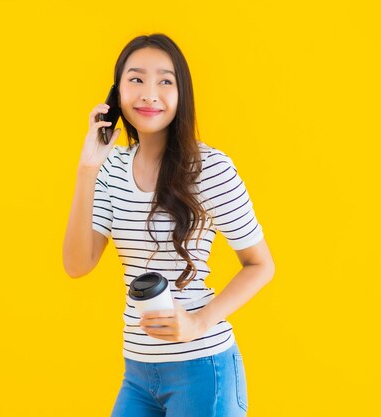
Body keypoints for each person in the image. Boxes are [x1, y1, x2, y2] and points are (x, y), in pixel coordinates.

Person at [62, 33, 276, 417]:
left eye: (165, 81)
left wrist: (197, 323)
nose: (149, 94)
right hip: (138, 372)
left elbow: (261, 265)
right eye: (136, 79)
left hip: (202, 369)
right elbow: (77, 264)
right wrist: (87, 168)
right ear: (116, 93)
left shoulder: (210, 169)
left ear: (182, 94)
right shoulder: (110, 169)